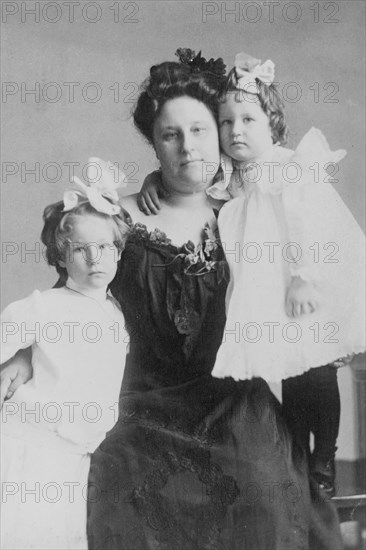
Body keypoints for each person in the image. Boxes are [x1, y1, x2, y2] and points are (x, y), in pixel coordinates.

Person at [0, 49, 343, 549]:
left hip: (231, 402)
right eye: (170, 135)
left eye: (200, 131)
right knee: (122, 495)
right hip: (138, 407)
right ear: (154, 145)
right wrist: (29, 357)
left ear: (222, 134)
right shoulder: (117, 219)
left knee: (259, 490)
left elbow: (300, 309)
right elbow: (72, 302)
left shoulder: (250, 215)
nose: (188, 149)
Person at [137, 51, 366, 497]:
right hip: (266, 293)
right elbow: (184, 174)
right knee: (291, 371)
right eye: (225, 123)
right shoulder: (229, 175)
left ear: (272, 124)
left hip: (304, 281)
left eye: (248, 120)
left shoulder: (288, 165)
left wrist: (304, 275)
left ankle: (325, 459)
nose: (235, 131)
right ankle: (300, 454)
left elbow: (308, 220)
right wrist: (152, 179)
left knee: (317, 371)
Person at [0, 174, 130, 550]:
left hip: (76, 457)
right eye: (79, 249)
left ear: (119, 252)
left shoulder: (118, 314)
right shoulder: (43, 306)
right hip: (29, 447)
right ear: (60, 256)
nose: (94, 258)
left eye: (105, 247)